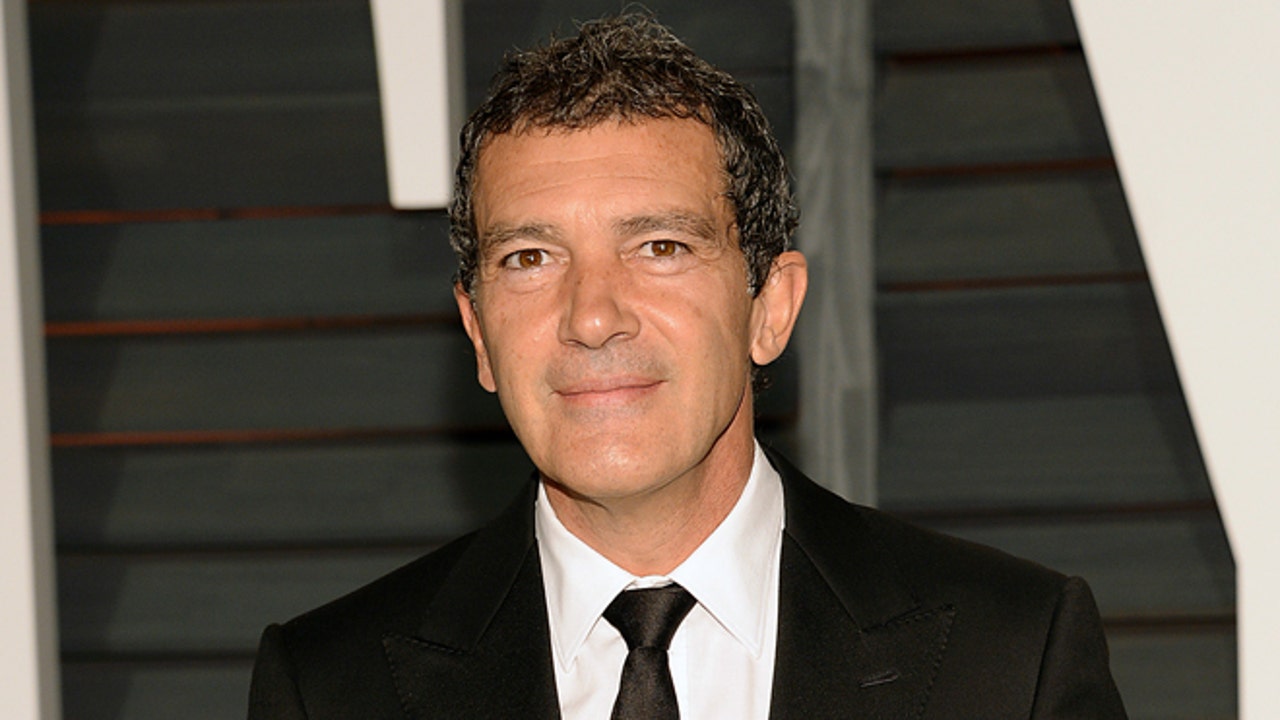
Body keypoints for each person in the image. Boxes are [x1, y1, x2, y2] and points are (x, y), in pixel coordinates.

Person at [248, 13, 1127, 719]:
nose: (592, 316)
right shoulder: (329, 689)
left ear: (770, 307)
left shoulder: (1010, 661)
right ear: (478, 333)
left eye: (659, 246)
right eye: (530, 258)